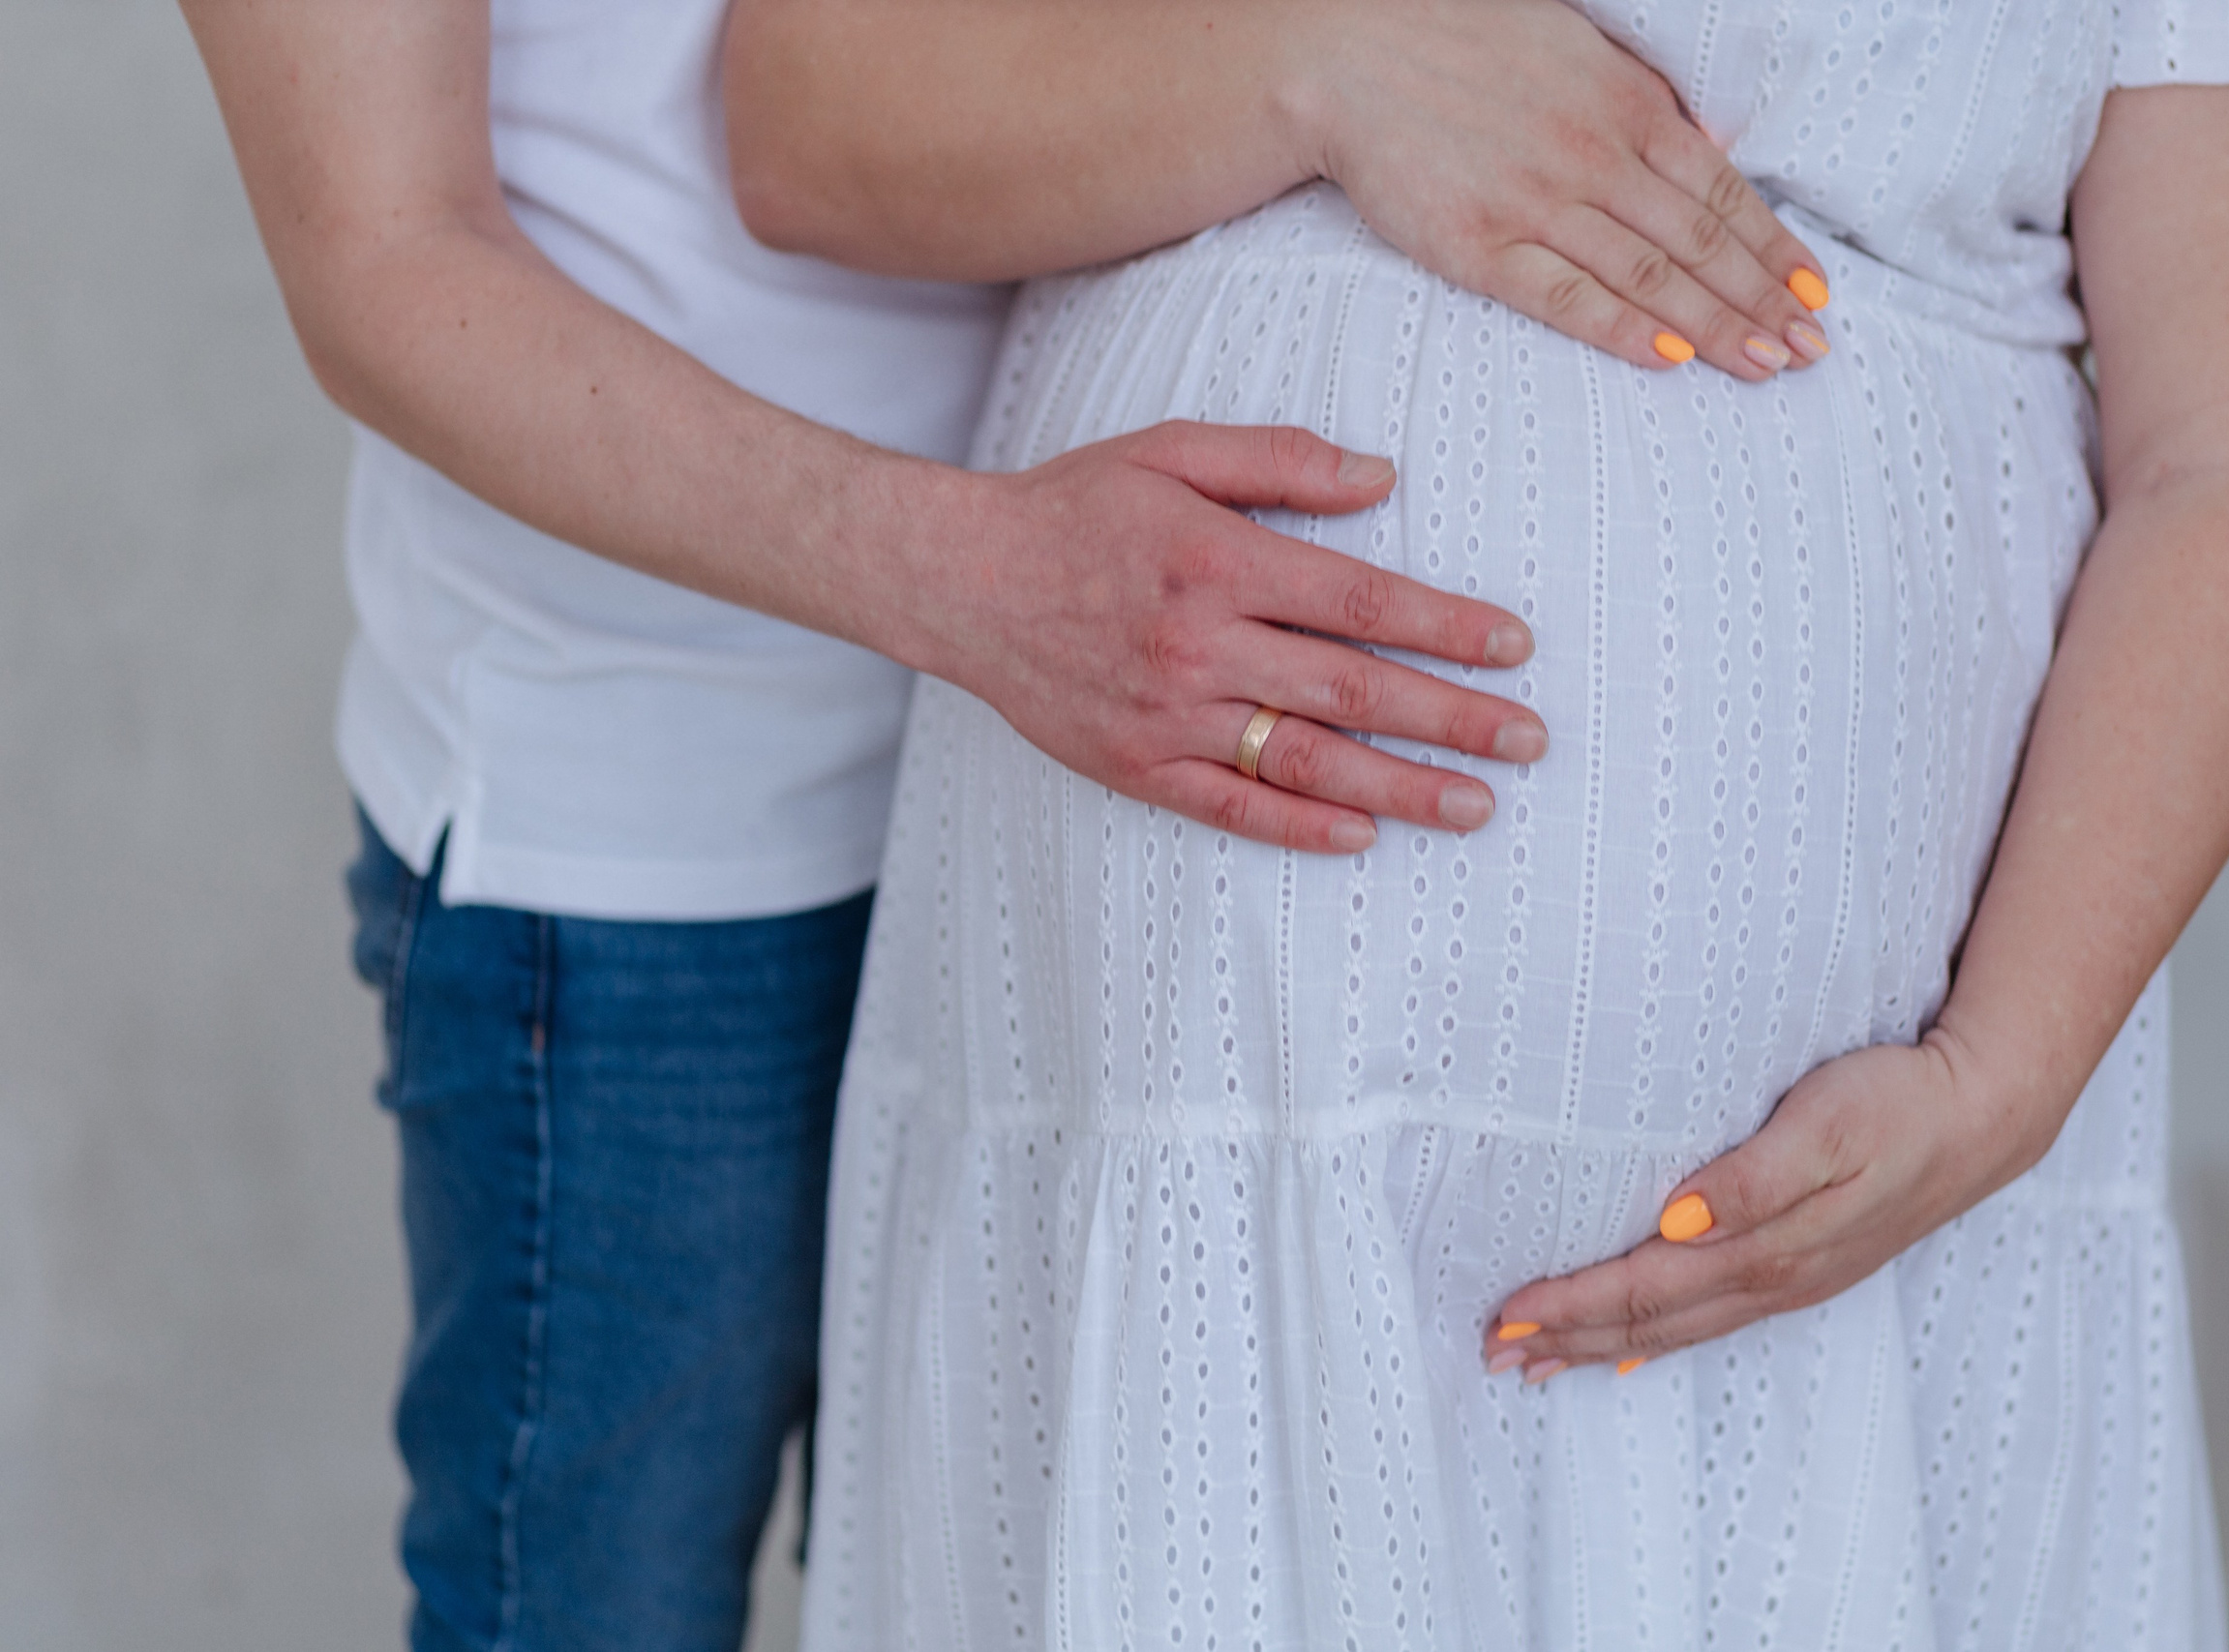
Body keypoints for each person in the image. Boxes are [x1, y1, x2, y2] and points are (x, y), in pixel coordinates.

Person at [723, 0, 2229, 1645]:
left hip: (1879, 1198)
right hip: (1171, 1088)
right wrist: (1310, 62)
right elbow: (813, 108)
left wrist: (2005, 1070)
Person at [174, 0, 1822, 1646]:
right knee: (587, 1613)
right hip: (651, 836)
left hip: (1081, 816)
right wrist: (987, 586)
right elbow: (385, 268)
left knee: (970, 1591)